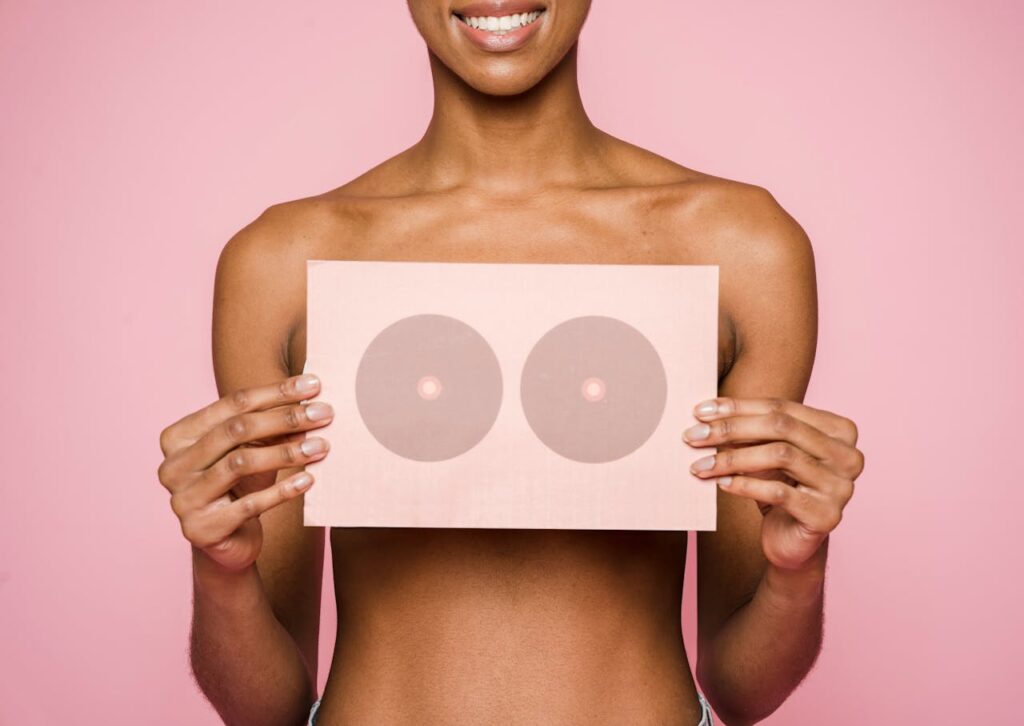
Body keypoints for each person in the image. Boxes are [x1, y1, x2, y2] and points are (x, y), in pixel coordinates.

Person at [156, 2, 866, 724]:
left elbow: (743, 688)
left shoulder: (739, 250)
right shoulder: (282, 264)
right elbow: (264, 709)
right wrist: (222, 573)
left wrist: (795, 571)